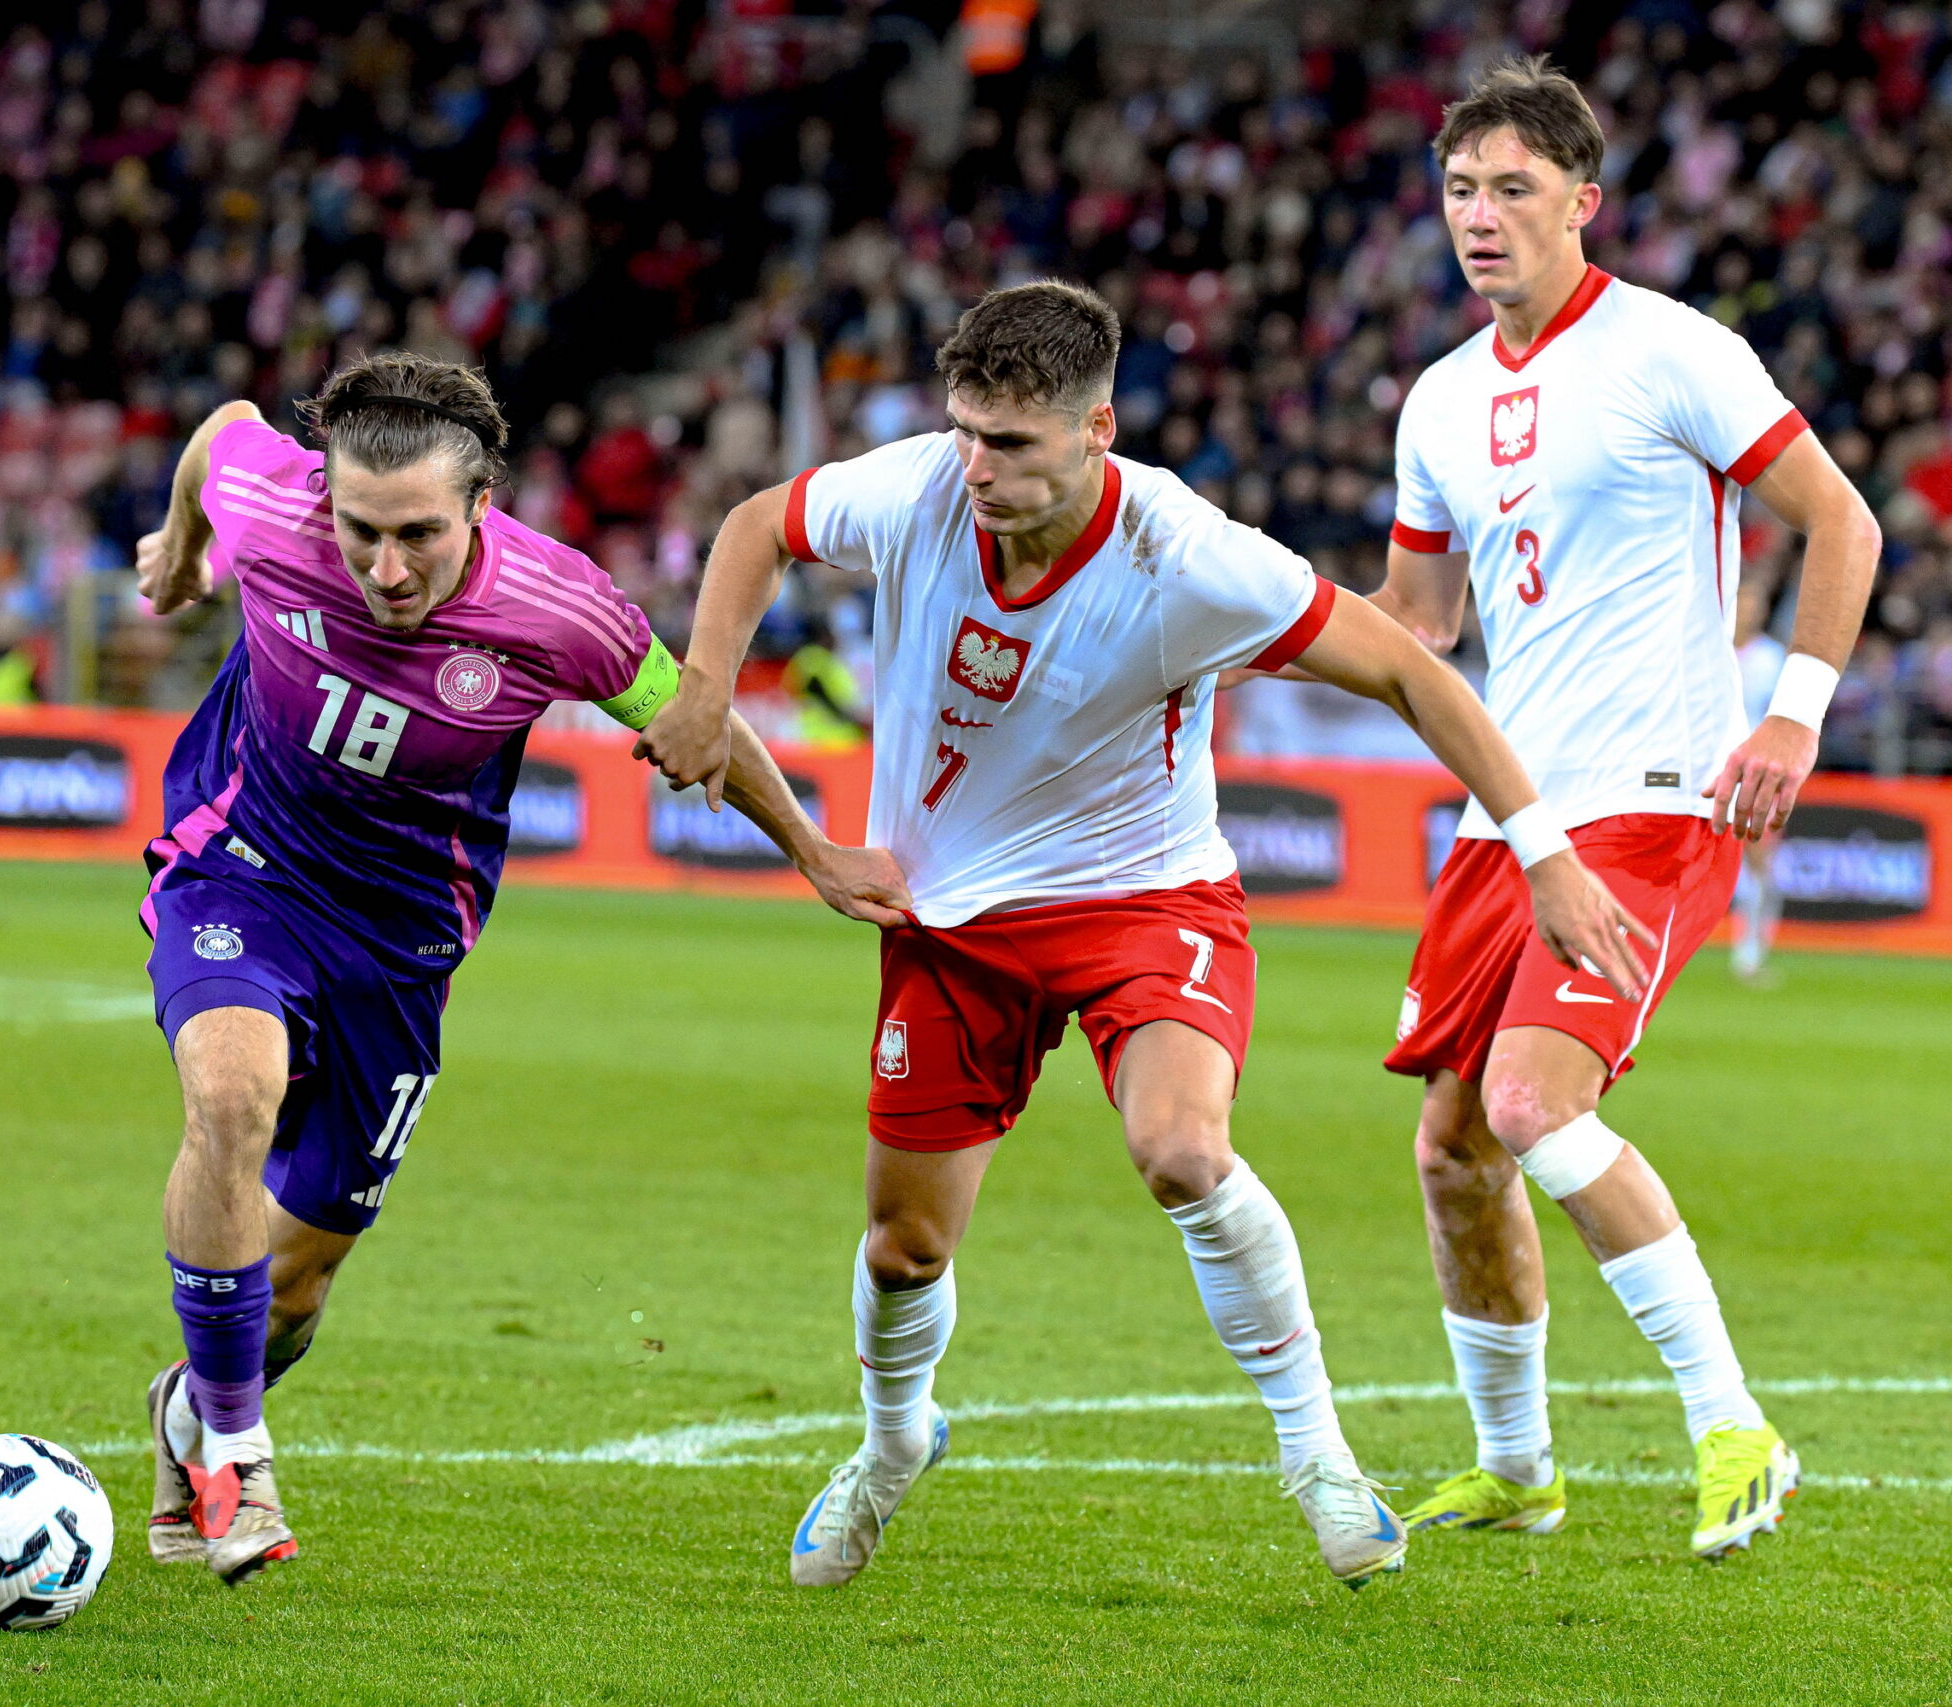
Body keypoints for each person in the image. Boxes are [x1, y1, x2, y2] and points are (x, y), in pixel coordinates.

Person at [634, 280, 1650, 1591]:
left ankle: (1319, 1449)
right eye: (965, 433)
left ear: (1099, 428)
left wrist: (1545, 851)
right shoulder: (919, 488)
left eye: (1015, 446)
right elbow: (757, 525)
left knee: (1180, 1147)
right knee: (907, 1243)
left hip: (1143, 900)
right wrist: (709, 682)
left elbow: (1408, 665)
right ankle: (892, 1443)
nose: (979, 469)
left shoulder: (1188, 555)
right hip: (952, 922)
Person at [131, 353, 902, 1584]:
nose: (387, 568)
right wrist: (179, 552)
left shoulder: (561, 608)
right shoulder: (271, 506)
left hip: (402, 943)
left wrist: (811, 849)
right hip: (244, 870)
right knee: (230, 1095)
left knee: (298, 1287)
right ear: (323, 496)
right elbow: (221, 427)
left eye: (419, 536)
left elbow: (695, 721)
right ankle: (233, 1453)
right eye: (362, 531)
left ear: (481, 504)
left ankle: (196, 1402)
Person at [1369, 61, 1879, 1557]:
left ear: (1584, 203)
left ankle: (1735, 1424)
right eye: (1461, 189)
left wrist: (1795, 709)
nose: (1481, 216)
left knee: (1535, 1103)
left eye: (1514, 188)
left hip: (1654, 793)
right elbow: (1416, 618)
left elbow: (1839, 521)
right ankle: (1520, 1465)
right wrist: (1232, 613)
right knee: (1455, 1145)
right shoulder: (1440, 399)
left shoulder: (1672, 351)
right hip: (1508, 818)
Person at [1731, 585, 1788, 983]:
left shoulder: (1770, 657)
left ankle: (1750, 952)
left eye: (1754, 604)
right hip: (1706, 766)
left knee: (1759, 861)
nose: (1748, 612)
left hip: (1756, 769)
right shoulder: (1708, 647)